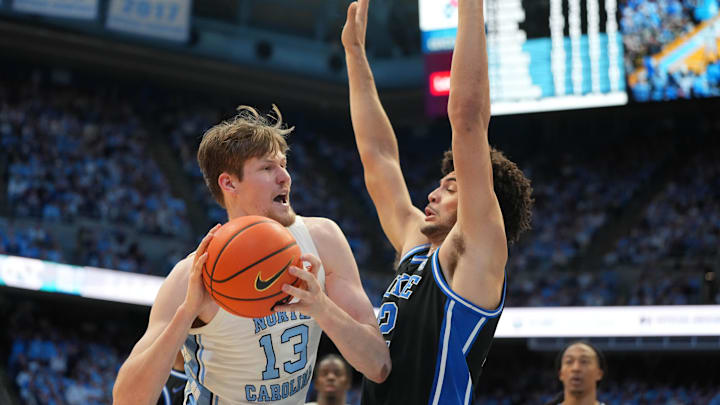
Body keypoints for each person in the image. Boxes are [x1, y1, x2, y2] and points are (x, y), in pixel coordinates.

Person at [113, 106, 391, 405]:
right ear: (229, 183)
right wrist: (186, 314)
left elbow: (378, 366)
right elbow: (127, 400)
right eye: (268, 168)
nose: (285, 177)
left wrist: (322, 308)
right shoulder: (193, 275)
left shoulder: (322, 240)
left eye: (284, 165)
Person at [341, 0, 533, 403]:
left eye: (451, 186)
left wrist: (470, 9)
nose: (432, 193)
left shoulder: (475, 251)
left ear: (483, 202)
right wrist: (355, 56)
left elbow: (466, 120)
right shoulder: (417, 247)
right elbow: (378, 157)